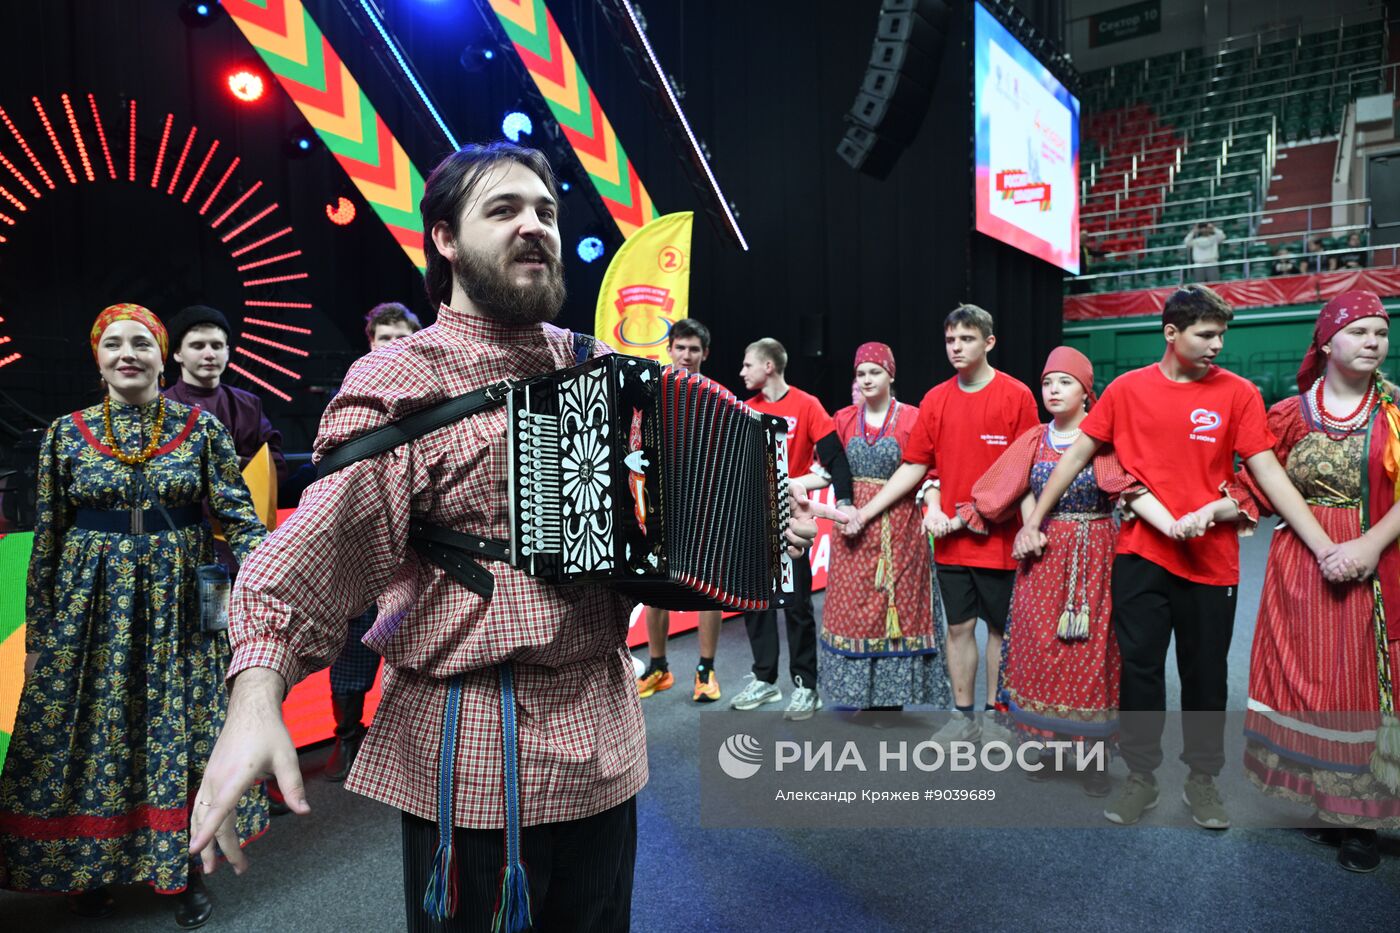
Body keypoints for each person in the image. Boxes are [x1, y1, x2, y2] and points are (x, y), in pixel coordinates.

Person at [186, 142, 834, 933]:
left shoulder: (600, 366)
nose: (534, 226)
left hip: (605, 742)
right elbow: (303, 561)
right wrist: (256, 698)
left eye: (546, 212)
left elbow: (669, 529)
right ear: (446, 240)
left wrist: (765, 528)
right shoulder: (402, 381)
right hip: (473, 746)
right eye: (503, 210)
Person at [1018, 284, 1338, 830]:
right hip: (1141, 555)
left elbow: (1266, 472)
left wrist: (1322, 542)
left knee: (1206, 676)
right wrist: (1032, 520)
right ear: (1172, 333)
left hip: (1212, 562)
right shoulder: (1125, 390)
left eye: (1221, 335)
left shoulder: (1237, 393)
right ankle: (1142, 777)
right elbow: (1076, 456)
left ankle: (1203, 781)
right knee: (1141, 672)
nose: (1218, 345)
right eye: (1206, 334)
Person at [0, 304, 269, 928]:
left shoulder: (201, 431)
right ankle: (84, 869)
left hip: (181, 602)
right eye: (114, 344)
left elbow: (236, 517)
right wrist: (42, 629)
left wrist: (278, 571)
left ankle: (183, 872)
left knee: (179, 730)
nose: (129, 354)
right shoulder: (66, 434)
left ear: (161, 354)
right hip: (90, 609)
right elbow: (49, 539)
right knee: (93, 731)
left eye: (142, 343)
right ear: (97, 358)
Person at [1238, 290, 1400, 873]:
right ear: (1327, 342)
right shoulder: (1287, 414)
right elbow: (1254, 484)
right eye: (1359, 332)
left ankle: (1363, 820)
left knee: (1358, 684)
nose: (1373, 343)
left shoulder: (1396, 411)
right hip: (1302, 565)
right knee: (1310, 681)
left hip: (1374, 561)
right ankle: (1324, 804)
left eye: (1380, 333)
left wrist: (1365, 545)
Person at [857, 305, 1039, 743]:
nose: (956, 348)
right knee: (958, 628)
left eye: (967, 339)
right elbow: (919, 466)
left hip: (999, 541)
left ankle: (997, 716)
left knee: (998, 629)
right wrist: (925, 509)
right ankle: (964, 717)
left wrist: (1012, 524)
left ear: (989, 343)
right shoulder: (936, 399)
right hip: (950, 543)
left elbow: (1026, 471)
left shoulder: (1016, 396)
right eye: (951, 340)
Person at [962, 347, 1133, 797]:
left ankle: (1092, 757)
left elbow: (1125, 489)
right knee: (1040, 649)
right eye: (1047, 383)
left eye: (1064, 383)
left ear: (1086, 391)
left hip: (1092, 554)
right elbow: (1003, 488)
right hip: (1042, 558)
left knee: (1091, 652)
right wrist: (1027, 522)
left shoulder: (1100, 440)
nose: (1053, 391)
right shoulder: (1035, 439)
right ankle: (1047, 746)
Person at [322, 301, 424, 784]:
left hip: (419, 549)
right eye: (384, 338)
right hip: (363, 545)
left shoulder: (432, 394)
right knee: (352, 651)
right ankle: (347, 739)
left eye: (401, 337)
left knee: (418, 646)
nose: (393, 346)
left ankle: (412, 746)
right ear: (370, 343)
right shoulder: (349, 397)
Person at [822, 342, 951, 712]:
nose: (866, 379)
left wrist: (933, 509)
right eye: (860, 373)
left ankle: (891, 700)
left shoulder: (912, 418)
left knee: (895, 610)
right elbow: (829, 470)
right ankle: (859, 694)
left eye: (874, 372)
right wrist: (794, 485)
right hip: (853, 531)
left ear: (891, 376)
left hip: (899, 529)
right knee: (855, 611)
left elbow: (929, 475)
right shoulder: (844, 418)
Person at [732, 337, 853, 720]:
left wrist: (846, 506)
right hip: (751, 522)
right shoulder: (743, 410)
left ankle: (806, 687)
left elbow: (835, 459)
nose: (742, 372)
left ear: (768, 366)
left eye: (747, 364)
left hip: (791, 524)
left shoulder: (807, 405)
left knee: (797, 606)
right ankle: (765, 680)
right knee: (755, 604)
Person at [635, 318, 727, 703]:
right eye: (680, 347)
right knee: (657, 588)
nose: (686, 355)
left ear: (705, 354)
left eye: (694, 349)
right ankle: (659, 667)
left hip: (707, 504)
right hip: (659, 503)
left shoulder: (720, 397)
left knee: (709, 589)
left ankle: (706, 671)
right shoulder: (650, 392)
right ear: (669, 349)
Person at [164, 304, 289, 486]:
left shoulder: (249, 405)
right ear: (177, 354)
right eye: (197, 346)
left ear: (227, 352)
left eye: (217, 346)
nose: (209, 354)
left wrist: (231, 461)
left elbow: (277, 469)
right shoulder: (161, 407)